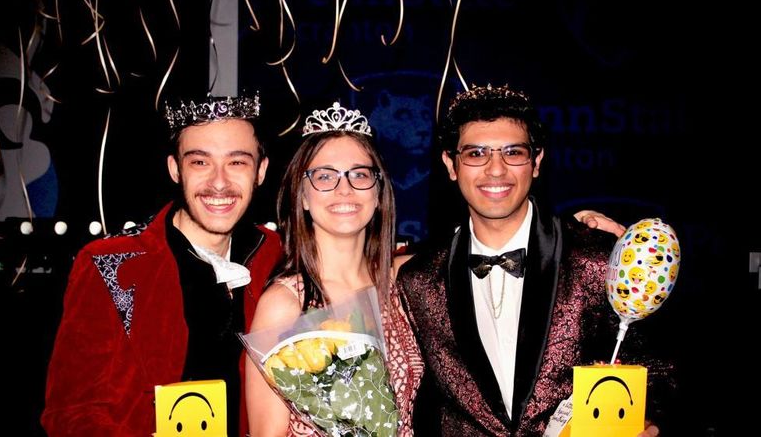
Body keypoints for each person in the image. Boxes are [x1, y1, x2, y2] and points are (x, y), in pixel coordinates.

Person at [396, 84, 674, 436]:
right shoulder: (417, 279)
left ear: (537, 162)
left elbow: (659, 371)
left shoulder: (596, 259)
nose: (496, 170)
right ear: (451, 165)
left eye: (513, 152)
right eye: (476, 154)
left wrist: (649, 422)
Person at [41, 94, 282, 437]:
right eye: (200, 162)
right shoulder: (111, 264)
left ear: (261, 171)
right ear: (174, 168)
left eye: (237, 163)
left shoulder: (276, 254)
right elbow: (71, 412)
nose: (219, 182)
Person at [245, 102, 423, 436]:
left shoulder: (402, 286)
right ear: (303, 196)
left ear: (379, 193)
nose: (345, 189)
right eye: (325, 176)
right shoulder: (285, 305)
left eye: (359, 174)